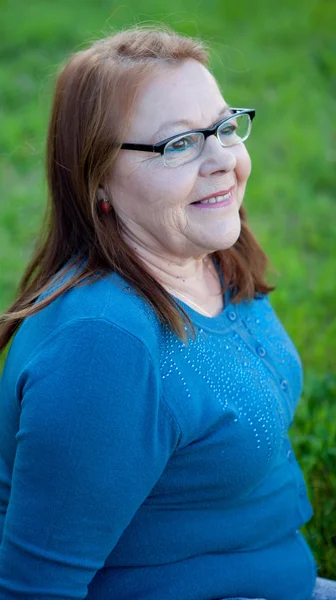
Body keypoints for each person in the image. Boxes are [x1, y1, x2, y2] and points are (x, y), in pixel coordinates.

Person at [0, 25, 334, 600]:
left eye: (225, 127)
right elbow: (34, 590)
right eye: (178, 144)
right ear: (98, 180)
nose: (223, 160)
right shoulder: (104, 350)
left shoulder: (208, 250)